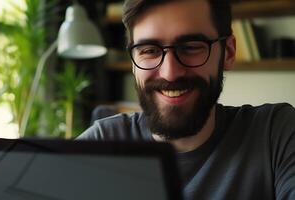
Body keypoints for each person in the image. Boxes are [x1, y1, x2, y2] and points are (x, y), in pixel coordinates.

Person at [78, 0, 295, 199]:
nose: (170, 73)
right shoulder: (100, 144)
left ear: (228, 53)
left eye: (191, 47)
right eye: (150, 50)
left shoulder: (275, 135)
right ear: (134, 62)